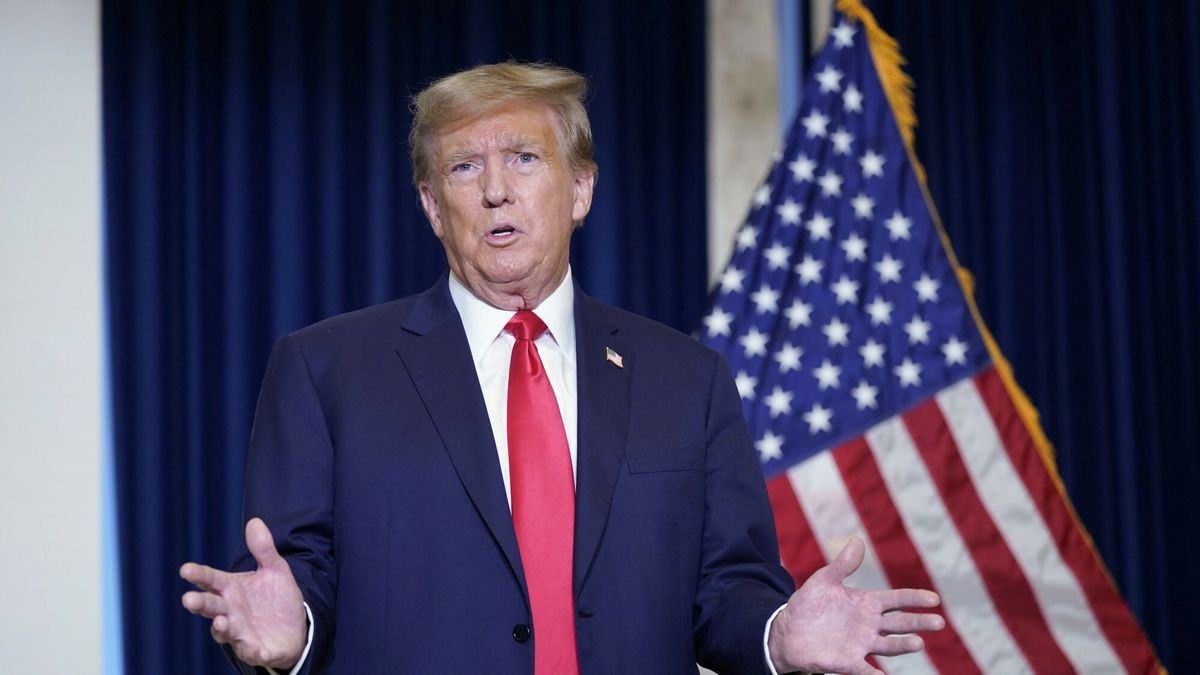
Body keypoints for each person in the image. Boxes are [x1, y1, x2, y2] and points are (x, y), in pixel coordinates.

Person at [180, 61, 944, 675]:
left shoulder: (688, 377)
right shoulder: (325, 369)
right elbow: (298, 577)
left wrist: (778, 634)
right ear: (431, 204)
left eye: (523, 158)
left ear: (580, 188)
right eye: (463, 166)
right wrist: (294, 634)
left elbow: (727, 587)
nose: (496, 189)